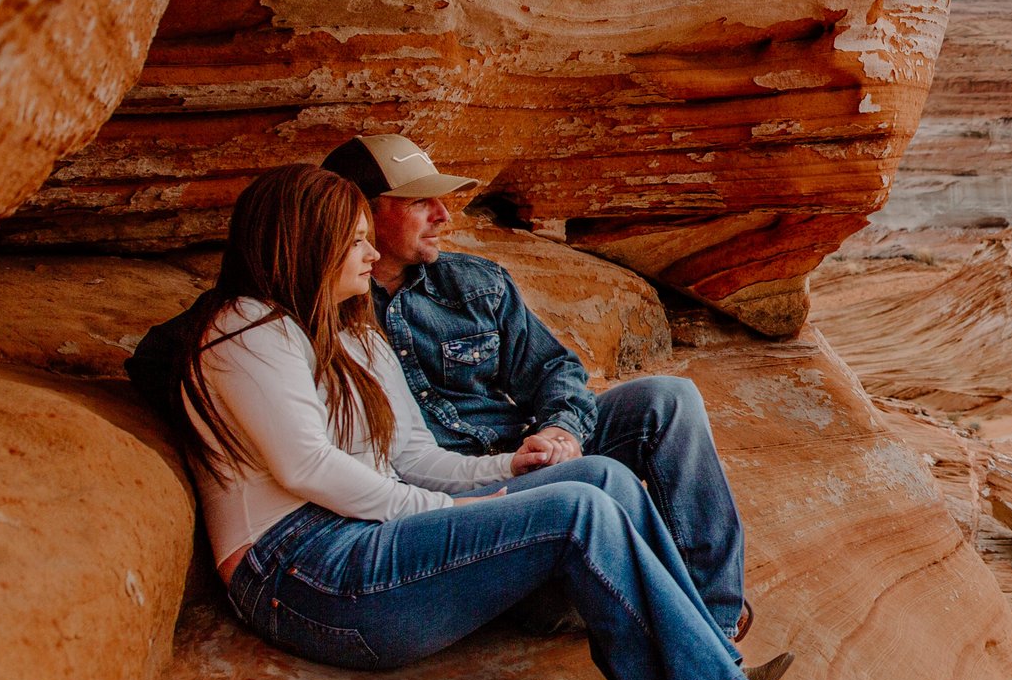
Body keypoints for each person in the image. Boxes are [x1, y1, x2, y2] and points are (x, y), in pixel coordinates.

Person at [164, 163, 800, 680]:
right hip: (302, 574)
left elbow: (410, 456)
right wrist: (445, 511)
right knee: (577, 511)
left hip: (361, 537)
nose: (367, 255)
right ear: (305, 243)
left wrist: (507, 466)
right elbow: (306, 465)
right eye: (353, 240)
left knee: (600, 477)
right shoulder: (246, 329)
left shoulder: (354, 334)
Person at [319, 134, 756, 644]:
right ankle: (651, 613)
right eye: (420, 202)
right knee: (590, 508)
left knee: (669, 400)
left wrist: (560, 430)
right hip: (461, 503)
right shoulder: (329, 310)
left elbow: (555, 370)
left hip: (525, 453)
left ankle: (715, 624)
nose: (444, 215)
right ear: (363, 216)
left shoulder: (474, 283)